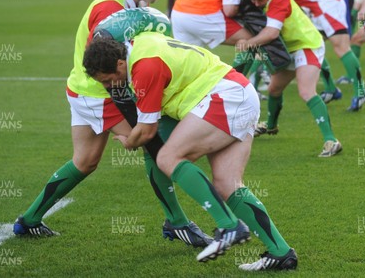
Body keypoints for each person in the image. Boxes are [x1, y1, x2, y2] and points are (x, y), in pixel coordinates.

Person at [13, 0, 212, 247]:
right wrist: (134, 113)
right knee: (155, 146)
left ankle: (28, 221)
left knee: (85, 162)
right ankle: (177, 223)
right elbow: (104, 63)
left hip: (83, 89)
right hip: (99, 93)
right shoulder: (111, 7)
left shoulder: (121, 0)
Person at [83, 33, 298, 271]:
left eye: (107, 80)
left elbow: (146, 131)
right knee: (227, 183)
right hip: (239, 93)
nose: (108, 86)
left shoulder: (144, 67)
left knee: (167, 157)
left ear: (120, 64)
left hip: (224, 98)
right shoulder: (141, 44)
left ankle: (228, 226)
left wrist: (128, 141)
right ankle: (281, 252)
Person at [237, 0, 343, 157]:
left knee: (306, 91)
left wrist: (249, 42)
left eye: (259, 0)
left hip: (307, 44)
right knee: (274, 90)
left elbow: (271, 33)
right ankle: (271, 126)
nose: (255, 4)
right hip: (290, 48)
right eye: (252, 0)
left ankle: (332, 140)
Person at [254, 0, 365, 110]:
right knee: (313, 44)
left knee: (341, 47)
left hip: (327, 6)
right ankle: (331, 88)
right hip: (317, 8)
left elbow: (276, 2)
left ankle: (360, 91)